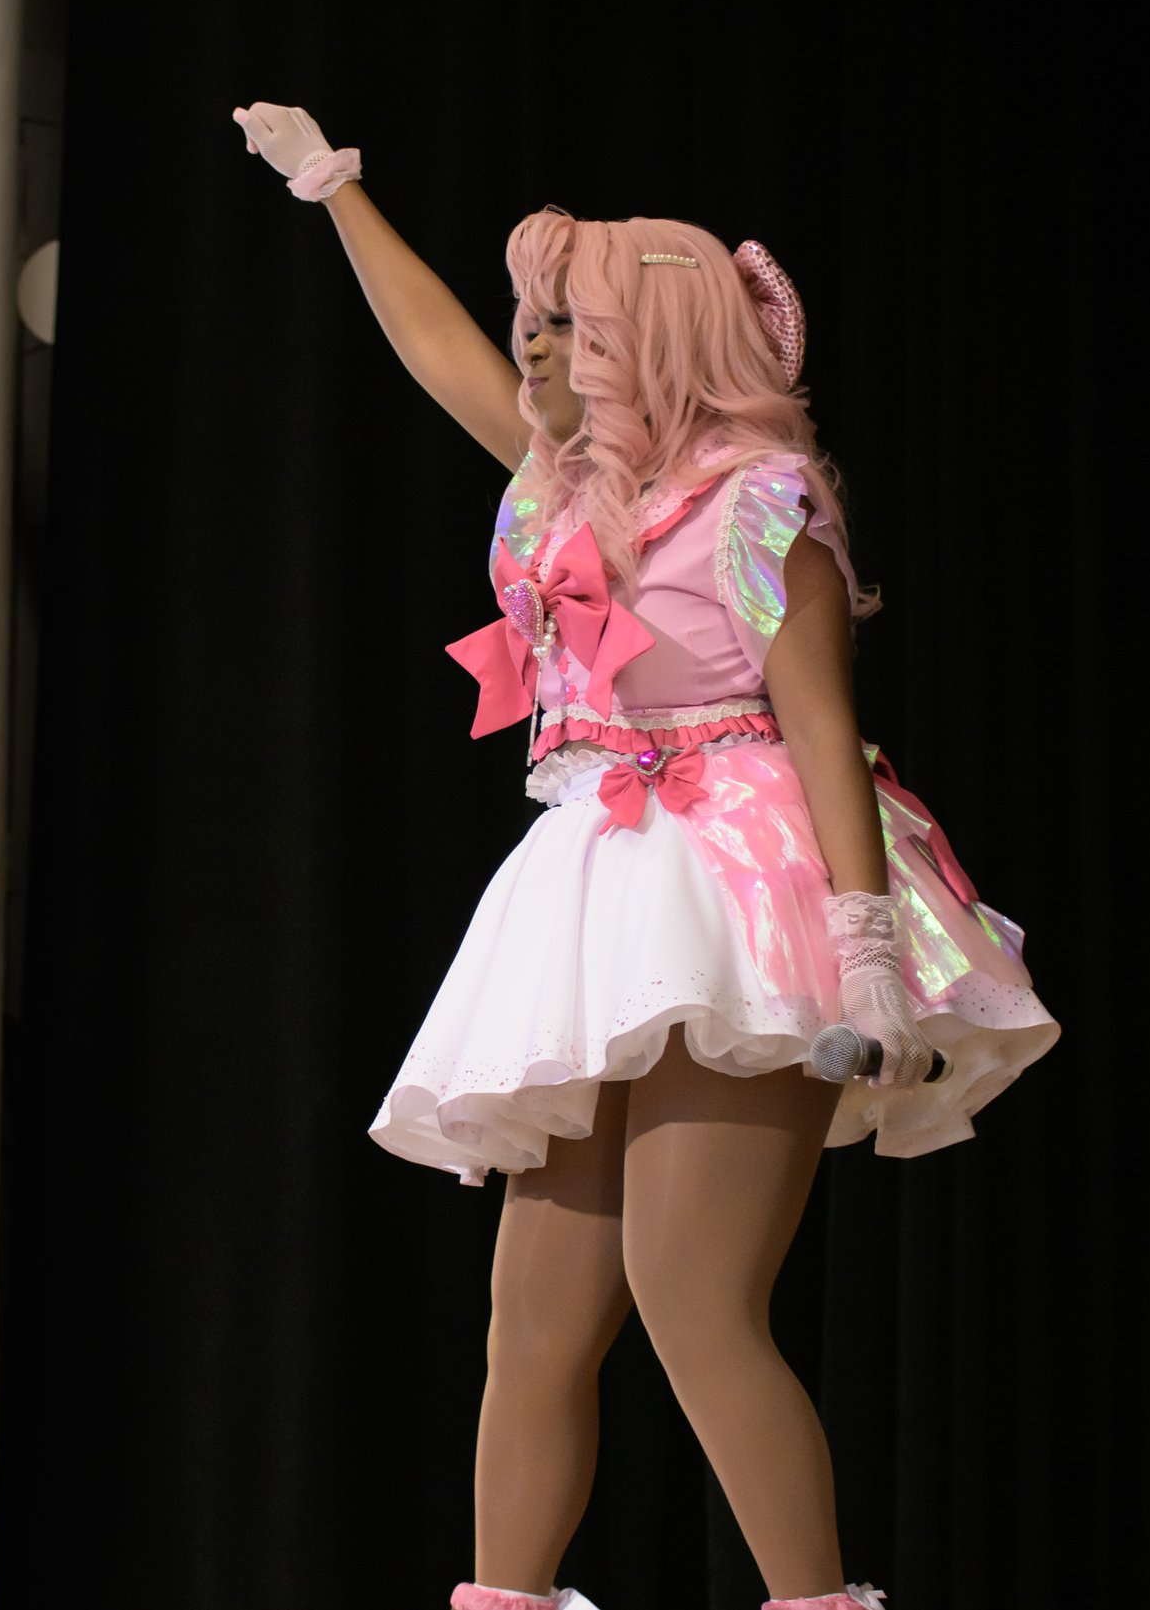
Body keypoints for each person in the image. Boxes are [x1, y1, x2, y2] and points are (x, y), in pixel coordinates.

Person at [229, 102, 1061, 1610]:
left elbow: (821, 729)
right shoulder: (560, 488)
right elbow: (439, 356)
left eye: (569, 327)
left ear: (654, 344)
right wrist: (334, 190)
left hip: (743, 876)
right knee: (531, 1319)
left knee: (694, 1295)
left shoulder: (761, 505)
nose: (534, 350)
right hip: (603, 868)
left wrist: (865, 947)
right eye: (535, 325)